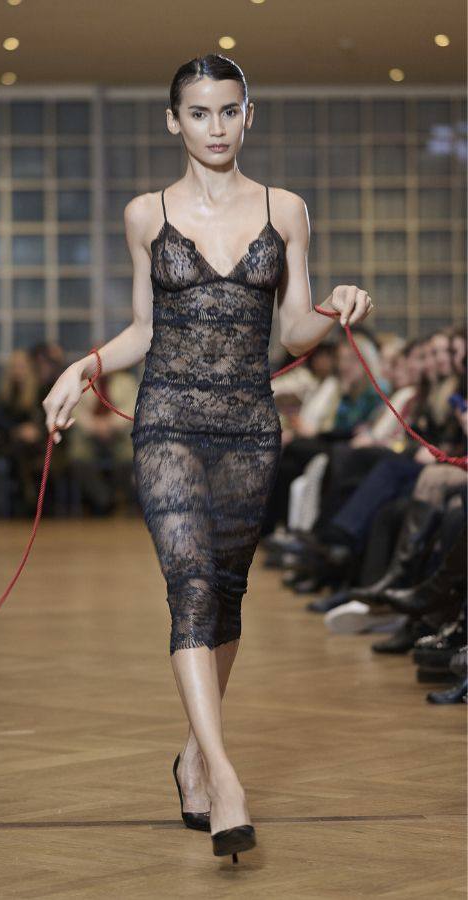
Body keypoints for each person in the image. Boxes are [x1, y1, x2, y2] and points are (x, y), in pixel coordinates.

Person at [39, 54, 374, 864]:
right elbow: (143, 330)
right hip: (168, 422)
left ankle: (193, 755)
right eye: (198, 112)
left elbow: (291, 331)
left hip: (250, 427)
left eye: (228, 111)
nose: (215, 127)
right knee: (188, 585)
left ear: (248, 115)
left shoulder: (286, 209)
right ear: (174, 121)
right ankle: (225, 779)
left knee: (225, 595)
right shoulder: (145, 215)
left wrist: (335, 305)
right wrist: (82, 367)